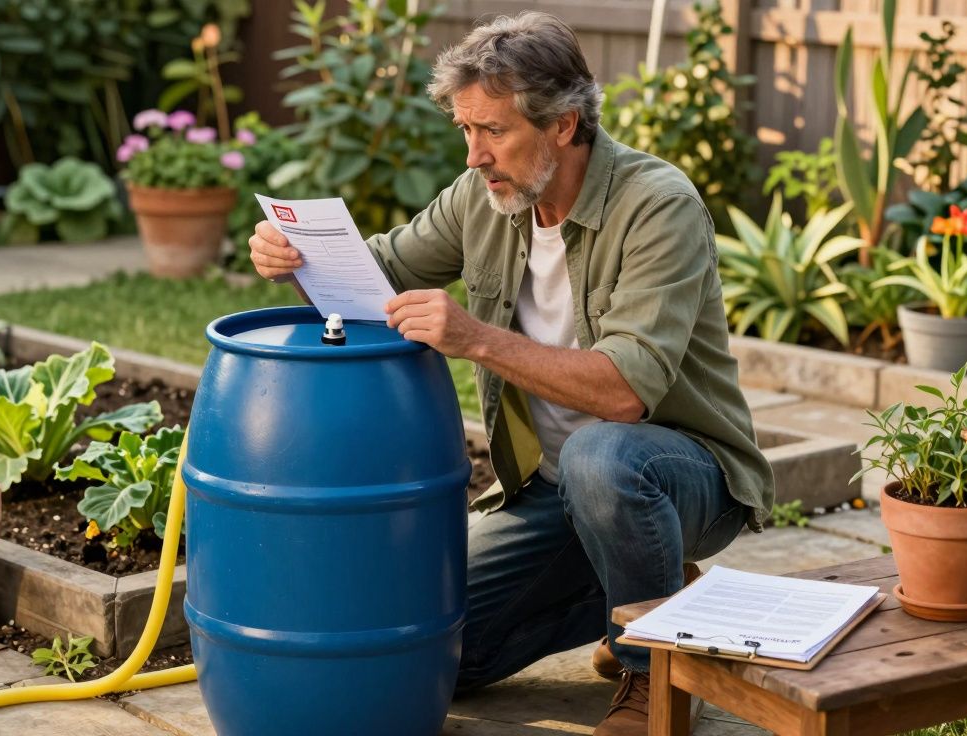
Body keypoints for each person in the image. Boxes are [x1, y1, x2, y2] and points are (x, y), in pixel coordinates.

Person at [247, 11, 774, 735]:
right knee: (433, 652)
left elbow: (623, 392)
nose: (474, 155)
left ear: (563, 123)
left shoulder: (659, 207)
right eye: (466, 130)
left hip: (683, 474)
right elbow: (377, 274)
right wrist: (297, 253)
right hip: (552, 489)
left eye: (493, 131)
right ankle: (656, 592)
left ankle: (654, 676)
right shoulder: (484, 199)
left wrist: (476, 339)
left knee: (601, 453)